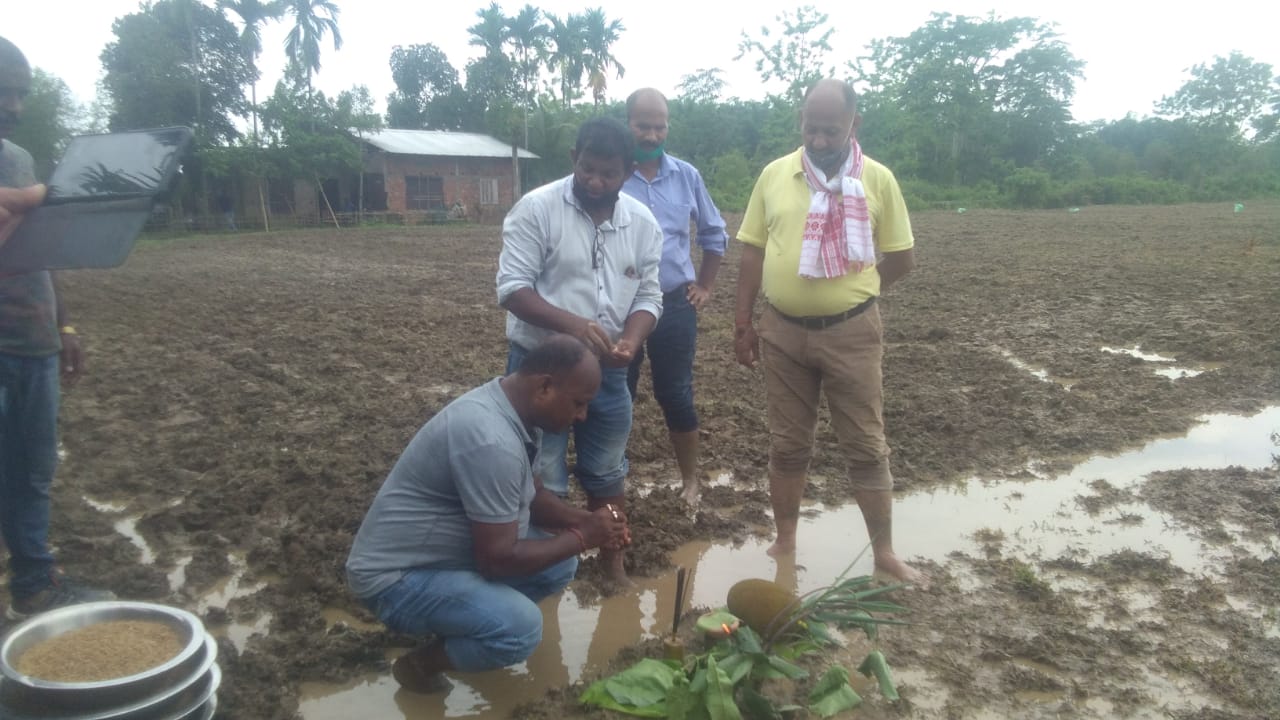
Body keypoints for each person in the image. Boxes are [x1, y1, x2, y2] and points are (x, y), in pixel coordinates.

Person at [346, 335, 630, 693]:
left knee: (560, 563)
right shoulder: (491, 439)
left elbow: (535, 496)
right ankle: (420, 665)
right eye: (579, 403)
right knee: (520, 630)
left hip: (438, 559)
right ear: (544, 387)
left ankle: (468, 624)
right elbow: (496, 561)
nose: (582, 415)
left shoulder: (519, 412)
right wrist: (584, 537)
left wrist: (586, 521)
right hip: (393, 579)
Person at [733, 78, 922, 584]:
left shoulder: (878, 180)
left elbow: (902, 257)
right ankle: (785, 542)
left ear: (854, 125)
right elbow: (751, 250)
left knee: (865, 445)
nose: (818, 140)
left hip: (852, 335)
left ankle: (883, 553)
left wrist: (862, 289)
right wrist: (742, 324)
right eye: (810, 129)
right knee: (787, 445)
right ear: (800, 122)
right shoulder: (775, 175)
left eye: (830, 131)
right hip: (782, 333)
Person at [497, 117, 663, 585]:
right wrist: (573, 327)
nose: (594, 181)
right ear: (573, 159)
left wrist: (631, 338)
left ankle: (613, 566)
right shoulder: (536, 209)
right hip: (541, 373)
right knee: (543, 474)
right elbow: (511, 289)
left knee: (608, 471)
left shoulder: (642, 223)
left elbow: (650, 296)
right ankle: (548, 578)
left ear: (628, 170)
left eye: (607, 174)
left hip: (607, 374)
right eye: (586, 169)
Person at [0, 36, 115, 618]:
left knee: (32, 471)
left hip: (33, 343)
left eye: (20, 94)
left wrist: (64, 326)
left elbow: (37, 249)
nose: (15, 107)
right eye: (5, 92)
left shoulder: (17, 160)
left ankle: (33, 584)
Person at [621, 88, 728, 505]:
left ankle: (691, 481)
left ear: (668, 126)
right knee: (617, 392)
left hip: (673, 304)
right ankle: (617, 480)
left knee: (676, 393)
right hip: (620, 306)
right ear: (628, 123)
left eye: (659, 126)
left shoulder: (686, 175)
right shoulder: (613, 174)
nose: (651, 135)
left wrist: (705, 286)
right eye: (642, 126)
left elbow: (714, 233)